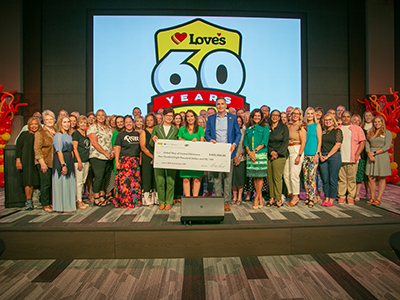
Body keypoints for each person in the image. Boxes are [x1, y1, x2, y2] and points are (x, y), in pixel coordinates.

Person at [205, 97, 242, 211]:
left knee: (227, 178)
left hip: (229, 151)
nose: (220, 106)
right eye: (218, 104)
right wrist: (210, 139)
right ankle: (218, 201)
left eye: (222, 104)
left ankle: (226, 201)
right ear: (216, 106)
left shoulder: (233, 118)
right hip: (216, 152)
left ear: (226, 106)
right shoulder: (210, 118)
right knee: (216, 178)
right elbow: (207, 134)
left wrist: (234, 145)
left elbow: (238, 134)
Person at [150, 107, 179, 210]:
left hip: (171, 159)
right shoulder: (156, 129)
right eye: (167, 116)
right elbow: (150, 143)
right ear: (163, 116)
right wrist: (153, 139)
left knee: (171, 180)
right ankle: (162, 201)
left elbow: (178, 143)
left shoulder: (175, 129)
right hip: (159, 158)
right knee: (160, 180)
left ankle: (169, 201)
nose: (169, 118)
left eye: (171, 116)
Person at [337, 111, 366, 205]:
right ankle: (341, 196)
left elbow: (362, 142)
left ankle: (350, 197)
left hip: (352, 158)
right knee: (341, 179)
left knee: (351, 179)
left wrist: (357, 154)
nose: (346, 118)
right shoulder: (338, 128)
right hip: (340, 158)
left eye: (348, 117)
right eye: (344, 117)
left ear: (351, 118)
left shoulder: (357, 129)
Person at [87, 109, 114, 206]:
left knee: (104, 177)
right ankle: (96, 197)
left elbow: (111, 142)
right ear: (96, 117)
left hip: (108, 157)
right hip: (97, 156)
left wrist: (112, 152)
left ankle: (102, 196)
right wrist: (105, 153)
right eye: (99, 115)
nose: (101, 117)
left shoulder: (108, 128)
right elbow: (94, 143)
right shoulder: (93, 128)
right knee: (98, 177)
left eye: (103, 115)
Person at [114, 115, 141, 208]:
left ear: (133, 123)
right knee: (125, 183)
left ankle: (135, 202)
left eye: (130, 122)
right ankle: (125, 202)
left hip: (135, 162)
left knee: (135, 183)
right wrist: (117, 162)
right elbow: (117, 148)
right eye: (126, 122)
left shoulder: (137, 134)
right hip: (125, 161)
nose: (129, 124)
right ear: (124, 124)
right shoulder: (120, 135)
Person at [244, 109, 269, 209]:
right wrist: (249, 152)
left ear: (261, 117)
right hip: (250, 155)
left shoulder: (265, 127)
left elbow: (264, 141)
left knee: (260, 177)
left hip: (260, 154)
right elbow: (246, 142)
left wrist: (254, 152)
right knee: (254, 177)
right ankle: (259, 197)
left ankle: (257, 198)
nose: (257, 117)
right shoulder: (248, 128)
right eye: (255, 116)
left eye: (259, 116)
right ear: (252, 117)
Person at [365, 116, 392, 206]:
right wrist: (369, 153)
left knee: (381, 178)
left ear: (382, 122)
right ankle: (372, 197)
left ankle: (379, 198)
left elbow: (387, 146)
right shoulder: (370, 132)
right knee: (370, 177)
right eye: (375, 122)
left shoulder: (387, 133)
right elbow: (367, 143)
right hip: (371, 155)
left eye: (379, 122)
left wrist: (375, 153)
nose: (377, 123)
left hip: (381, 156)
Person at [52, 115, 76, 212]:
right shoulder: (58, 135)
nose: (67, 124)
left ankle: (68, 205)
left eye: (68, 122)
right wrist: (63, 165)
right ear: (60, 123)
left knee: (68, 182)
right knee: (62, 182)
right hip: (61, 161)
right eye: (64, 122)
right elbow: (59, 151)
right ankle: (61, 206)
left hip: (69, 160)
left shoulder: (69, 136)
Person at [178, 110, 205, 197]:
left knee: (196, 179)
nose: (190, 118)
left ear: (195, 117)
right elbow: (179, 140)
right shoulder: (182, 129)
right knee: (186, 179)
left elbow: (202, 142)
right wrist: (185, 141)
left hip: (196, 157)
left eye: (192, 116)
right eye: (188, 116)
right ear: (185, 118)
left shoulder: (200, 129)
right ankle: (187, 199)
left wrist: (197, 141)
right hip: (185, 157)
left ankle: (195, 199)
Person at [16, 117, 41, 210]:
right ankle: (28, 201)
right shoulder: (24, 135)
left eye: (35, 124)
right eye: (32, 124)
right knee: (28, 181)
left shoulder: (40, 135)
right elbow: (18, 148)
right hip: (27, 160)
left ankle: (37, 200)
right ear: (28, 126)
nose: (34, 126)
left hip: (38, 161)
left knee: (37, 180)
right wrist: (18, 160)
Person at [34, 110, 56, 212]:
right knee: (45, 184)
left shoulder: (56, 131)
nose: (49, 121)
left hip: (54, 162)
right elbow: (37, 148)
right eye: (47, 119)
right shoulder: (40, 133)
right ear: (43, 121)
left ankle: (52, 202)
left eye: (51, 119)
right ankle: (45, 203)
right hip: (44, 161)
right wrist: (41, 162)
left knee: (52, 184)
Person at [319, 114, 343, 207]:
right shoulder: (323, 132)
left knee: (332, 179)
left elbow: (337, 144)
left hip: (333, 156)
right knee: (325, 179)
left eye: (330, 120)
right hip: (323, 156)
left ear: (333, 121)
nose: (328, 122)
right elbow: (319, 144)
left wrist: (328, 155)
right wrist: (320, 155)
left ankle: (332, 198)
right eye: (326, 120)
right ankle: (326, 197)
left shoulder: (337, 131)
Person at [285, 108, 306, 207]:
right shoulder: (289, 126)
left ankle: (295, 196)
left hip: (296, 149)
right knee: (286, 173)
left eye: (297, 114)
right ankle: (290, 192)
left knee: (294, 175)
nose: (295, 115)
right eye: (294, 113)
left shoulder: (301, 126)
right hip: (288, 149)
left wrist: (299, 155)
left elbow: (303, 142)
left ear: (300, 115)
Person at [267, 110, 289, 207]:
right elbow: (265, 141)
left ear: (280, 117)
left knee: (277, 178)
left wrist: (276, 154)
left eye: (277, 115)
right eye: (273, 115)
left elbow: (285, 143)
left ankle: (278, 199)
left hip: (280, 156)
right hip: (269, 154)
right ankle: (271, 197)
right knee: (270, 178)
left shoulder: (283, 128)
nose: (275, 117)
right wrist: (271, 152)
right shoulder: (268, 127)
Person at [302, 107, 322, 208]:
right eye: (308, 114)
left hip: (313, 155)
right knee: (305, 178)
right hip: (304, 155)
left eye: (311, 114)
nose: (309, 115)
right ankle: (307, 196)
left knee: (312, 177)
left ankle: (312, 197)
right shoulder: (304, 126)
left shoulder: (316, 125)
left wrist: (317, 154)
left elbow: (319, 141)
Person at [72, 115, 91, 210]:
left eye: (84, 123)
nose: (83, 124)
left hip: (86, 160)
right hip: (79, 161)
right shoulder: (76, 134)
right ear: (78, 124)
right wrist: (79, 161)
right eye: (81, 123)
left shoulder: (86, 134)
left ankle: (80, 199)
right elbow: (74, 148)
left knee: (83, 181)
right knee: (79, 182)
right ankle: (78, 201)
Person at [140, 114, 158, 206]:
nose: (149, 122)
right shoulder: (143, 132)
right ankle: (147, 200)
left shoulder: (157, 131)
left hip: (158, 157)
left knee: (156, 178)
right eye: (147, 120)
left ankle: (156, 199)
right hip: (147, 157)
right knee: (147, 178)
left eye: (151, 120)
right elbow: (143, 147)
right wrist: (152, 157)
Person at [352, 114, 368, 201]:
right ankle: (351, 193)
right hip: (349, 155)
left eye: (358, 120)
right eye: (354, 120)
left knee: (359, 176)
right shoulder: (349, 130)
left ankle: (357, 193)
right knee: (351, 176)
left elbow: (364, 144)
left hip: (360, 156)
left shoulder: (363, 131)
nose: (356, 122)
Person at [232, 115, 246, 205]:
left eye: (240, 121)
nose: (238, 123)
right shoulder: (231, 132)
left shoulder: (244, 132)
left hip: (242, 158)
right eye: (236, 121)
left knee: (240, 179)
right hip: (232, 158)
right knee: (233, 179)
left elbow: (245, 145)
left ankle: (240, 197)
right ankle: (234, 196)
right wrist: (234, 157)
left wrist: (239, 157)